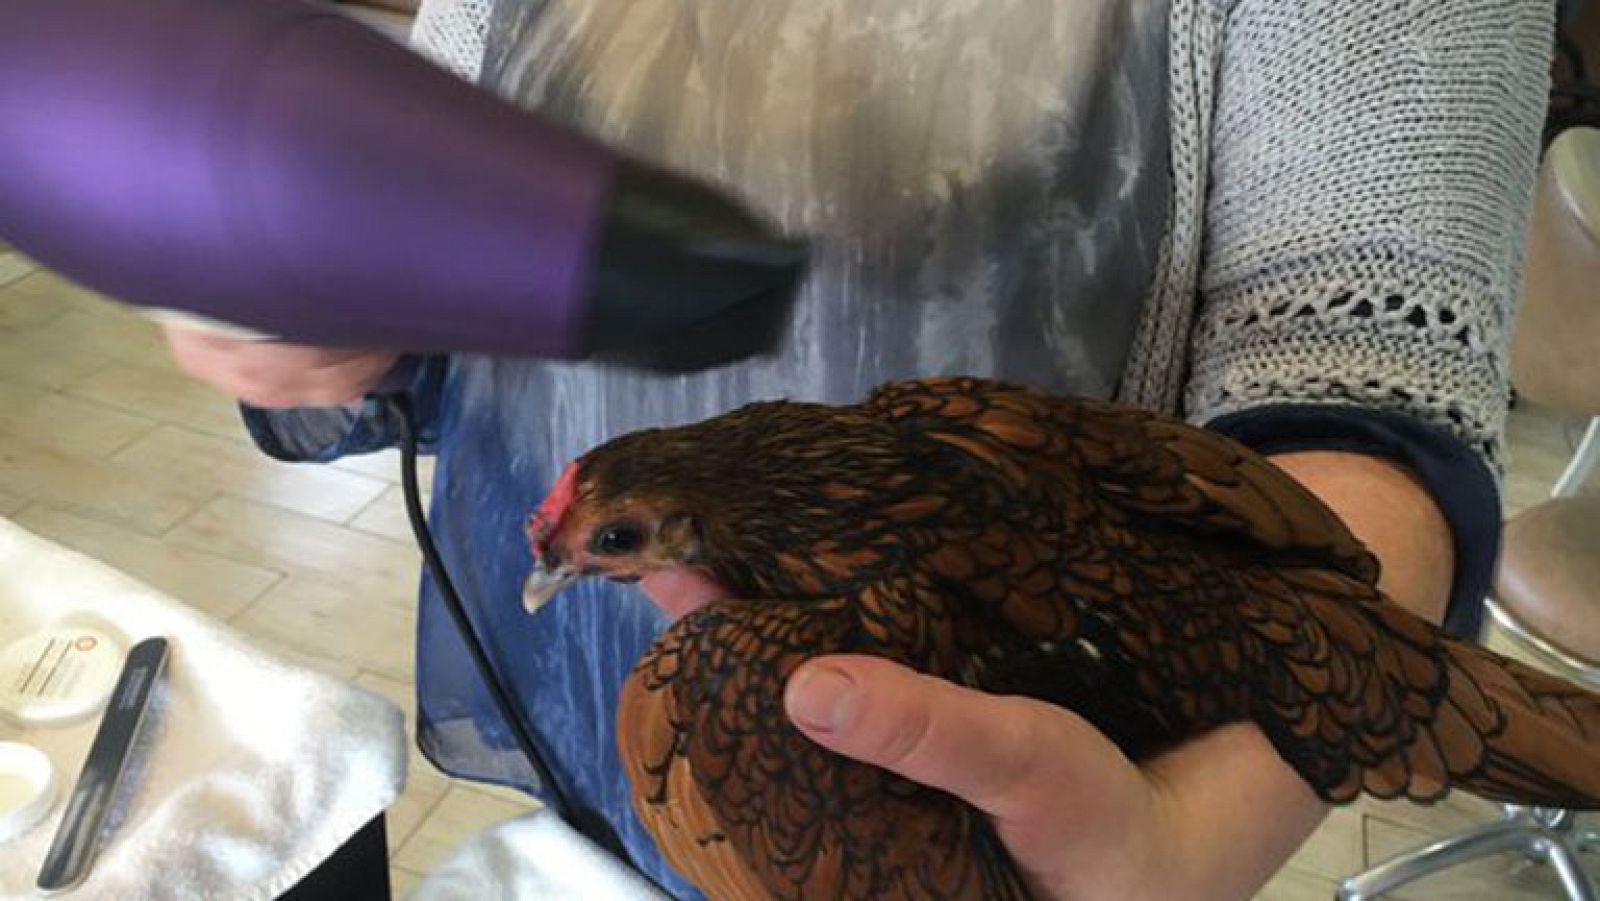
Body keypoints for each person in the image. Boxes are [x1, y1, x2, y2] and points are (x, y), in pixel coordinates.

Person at [164, 0, 1546, 896]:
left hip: (973, 819)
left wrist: (1179, 839)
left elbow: (1358, 399)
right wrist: (325, 292)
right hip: (593, 749)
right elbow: (456, 232)